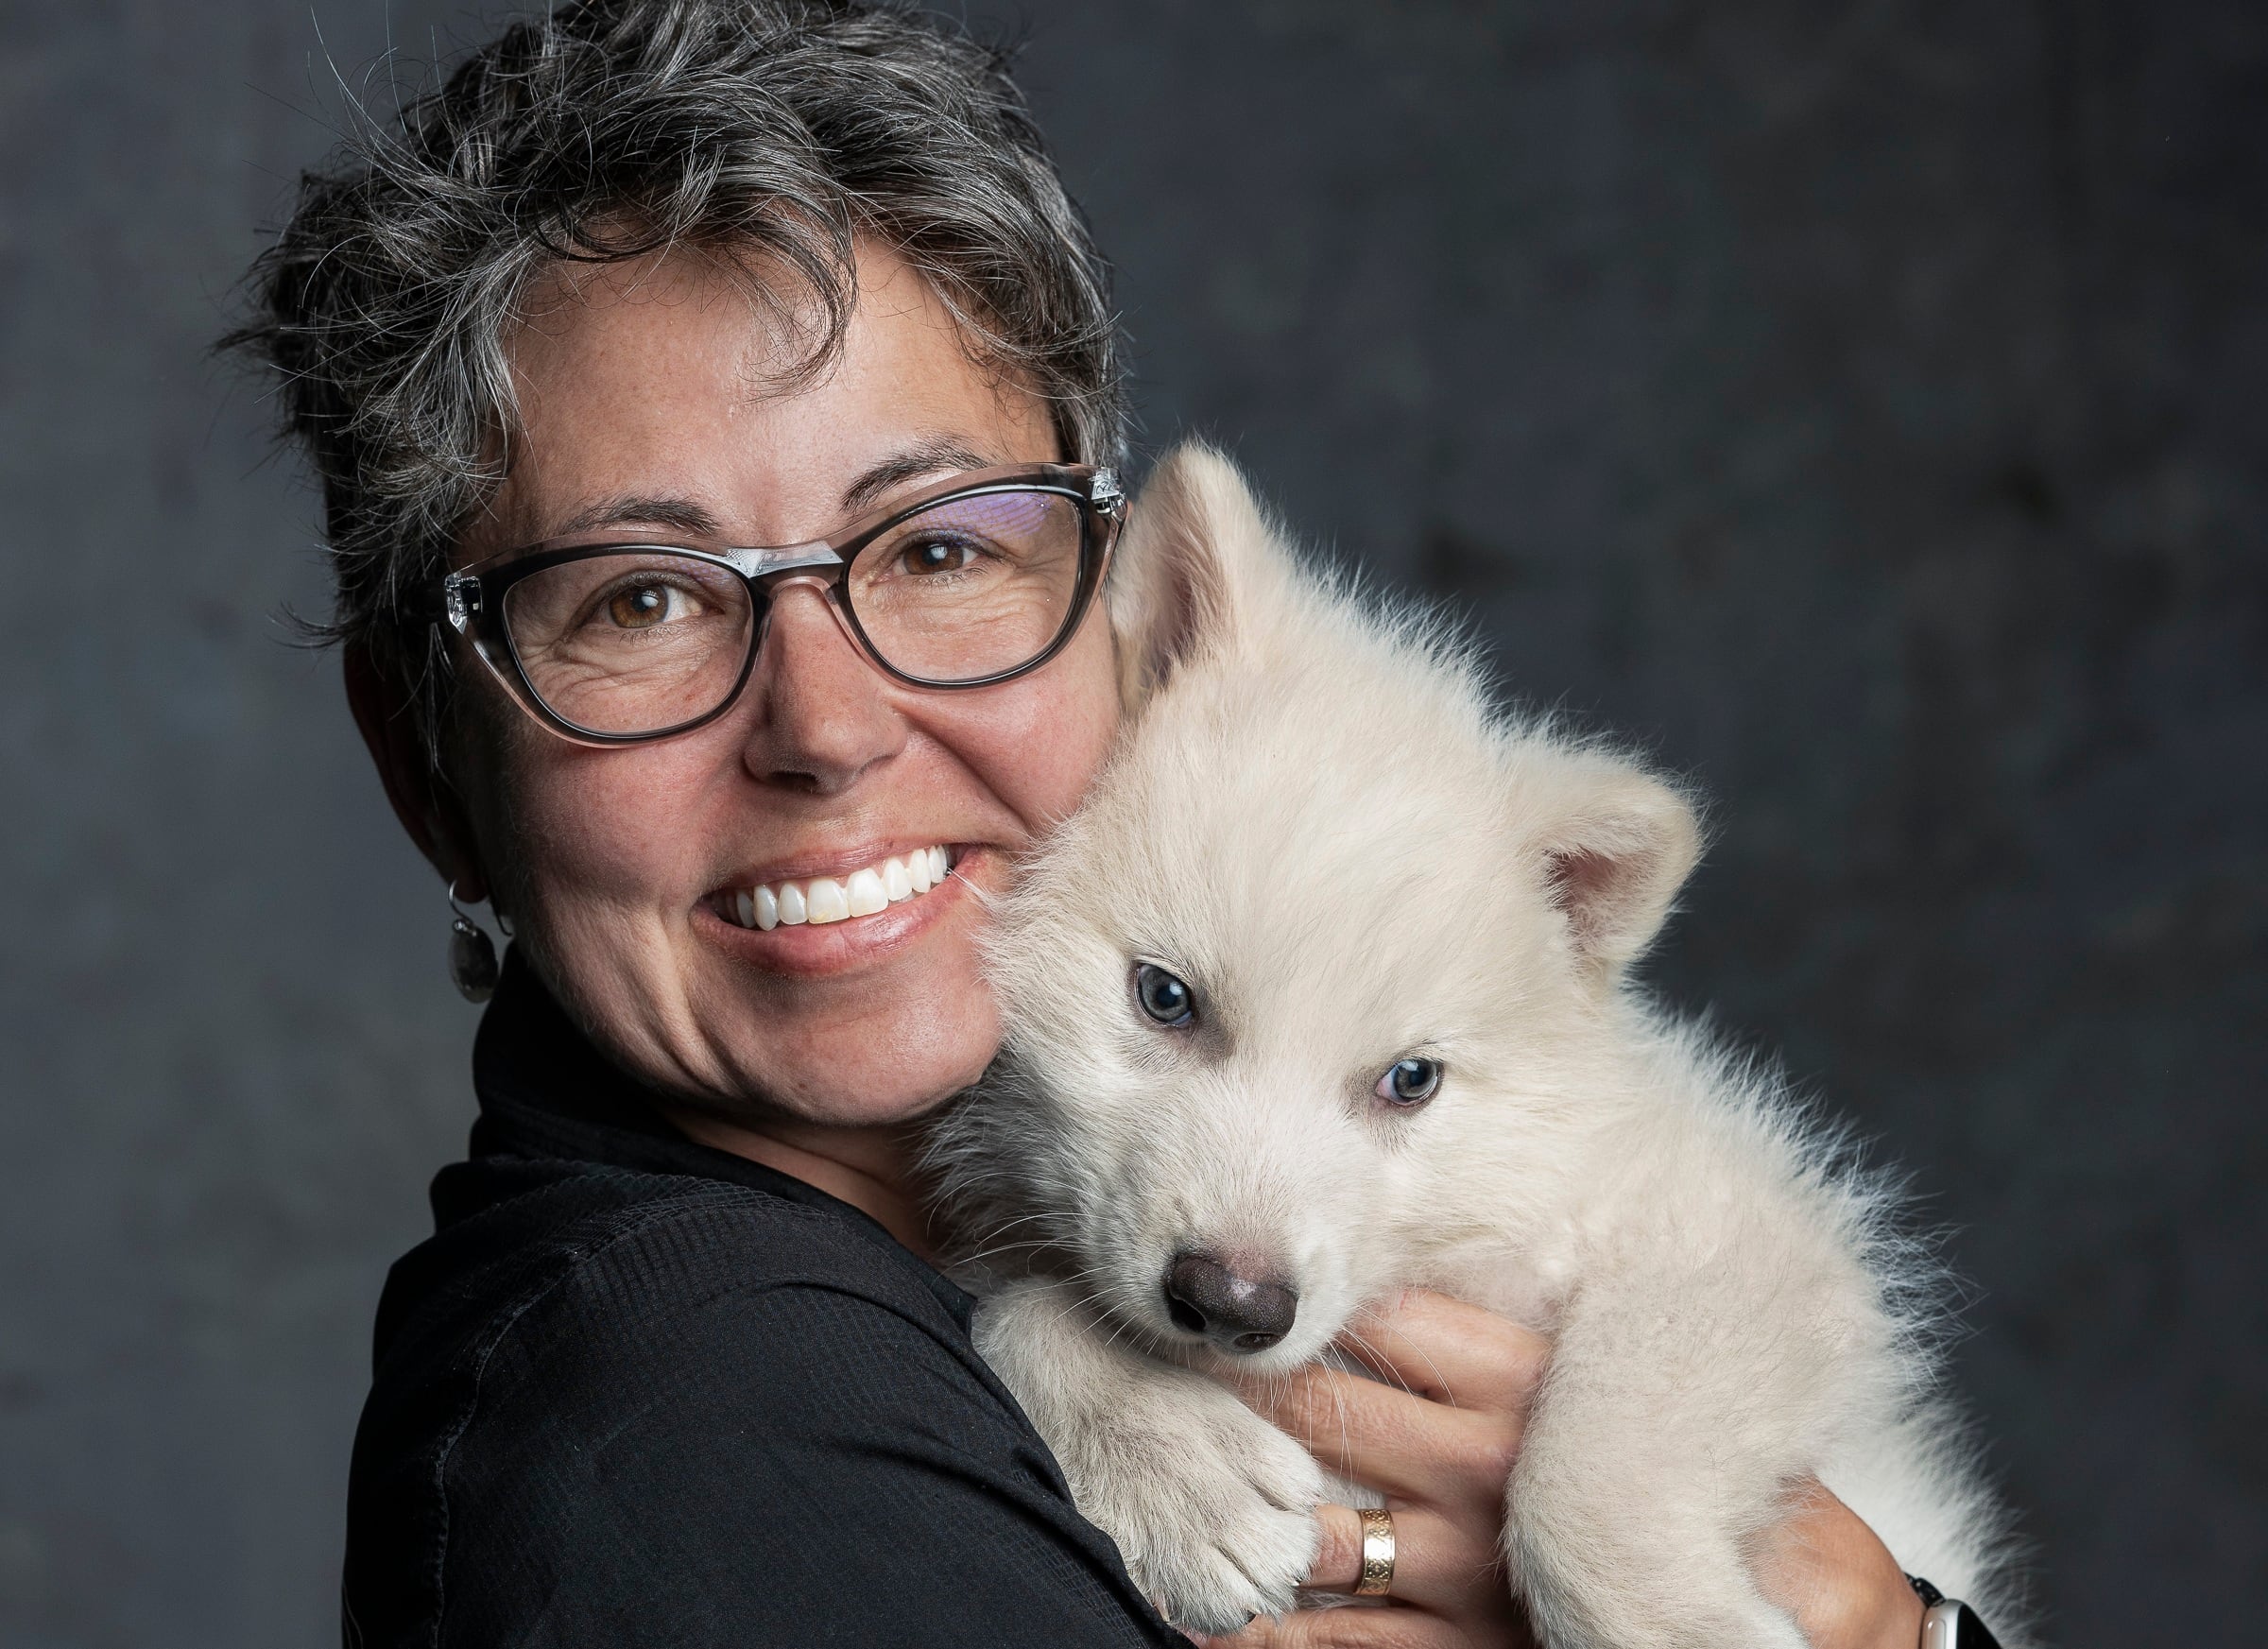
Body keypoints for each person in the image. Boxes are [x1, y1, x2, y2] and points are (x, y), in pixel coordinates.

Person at [232, 4, 1932, 1644]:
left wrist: (1887, 1627)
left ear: (1111, 609)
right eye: (643, 597)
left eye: (938, 548)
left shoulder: (921, 1270)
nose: (827, 728)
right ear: (426, 761)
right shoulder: (706, 1434)